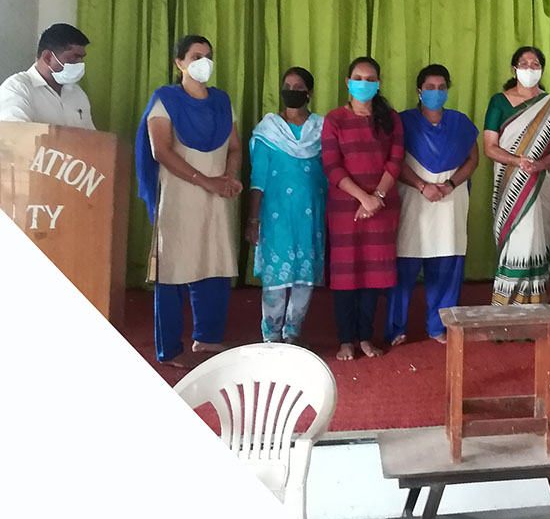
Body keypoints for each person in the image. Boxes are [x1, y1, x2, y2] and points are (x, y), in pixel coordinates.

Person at [134, 34, 241, 367]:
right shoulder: (165, 100)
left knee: (215, 264)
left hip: (217, 197)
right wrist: (205, 181)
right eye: (195, 56)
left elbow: (234, 148)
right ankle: (170, 349)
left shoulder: (222, 101)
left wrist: (228, 177)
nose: (203, 62)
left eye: (208, 56)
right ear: (179, 62)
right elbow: (161, 150)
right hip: (181, 196)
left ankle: (207, 337)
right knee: (176, 269)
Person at [387, 64, 479, 346]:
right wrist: (422, 185)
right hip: (414, 198)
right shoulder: (402, 122)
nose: (436, 93)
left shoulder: (460, 123)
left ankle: (439, 326)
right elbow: (394, 162)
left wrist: (449, 185)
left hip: (451, 200)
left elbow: (473, 160)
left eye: (441, 88)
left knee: (447, 261)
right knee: (404, 265)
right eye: (430, 88)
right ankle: (396, 328)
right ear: (419, 91)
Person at [321, 56, 404, 361]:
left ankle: (366, 337)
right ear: (347, 82)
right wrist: (363, 198)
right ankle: (345, 340)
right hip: (345, 210)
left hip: (382, 209)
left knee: (373, 277)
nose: (364, 83)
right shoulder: (334, 120)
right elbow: (331, 165)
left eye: (370, 79)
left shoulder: (391, 118)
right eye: (358, 77)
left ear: (379, 83)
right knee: (346, 278)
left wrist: (377, 197)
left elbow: (395, 160)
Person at [482, 46, 550, 306]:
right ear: (514, 69)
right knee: (516, 242)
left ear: (542, 69)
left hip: (541, 183)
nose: (530, 68)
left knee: (537, 239)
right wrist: (518, 161)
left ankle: (535, 308)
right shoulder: (499, 101)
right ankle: (506, 310)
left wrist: (540, 164)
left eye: (535, 64)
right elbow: (489, 147)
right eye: (524, 63)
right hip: (510, 184)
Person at [245, 67, 326, 345]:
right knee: (275, 282)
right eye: (287, 85)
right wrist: (253, 220)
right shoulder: (268, 130)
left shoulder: (322, 130)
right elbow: (258, 179)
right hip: (274, 216)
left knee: (305, 279)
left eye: (298, 86)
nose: (291, 90)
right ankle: (271, 336)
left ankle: (292, 334)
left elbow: (330, 174)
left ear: (309, 93)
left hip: (310, 216)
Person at [0, 22, 95, 128]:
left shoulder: (77, 93)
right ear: (48, 57)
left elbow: (91, 138)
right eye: (73, 57)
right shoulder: (17, 88)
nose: (79, 63)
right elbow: (17, 136)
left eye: (82, 58)